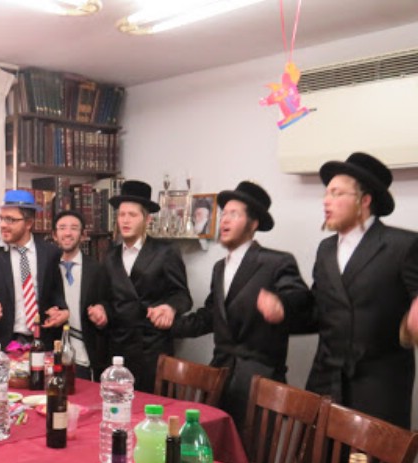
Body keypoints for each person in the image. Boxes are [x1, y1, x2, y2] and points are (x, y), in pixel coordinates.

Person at [169, 181, 311, 430]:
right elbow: (211, 315)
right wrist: (171, 322)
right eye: (224, 213)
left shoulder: (276, 262)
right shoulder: (219, 268)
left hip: (260, 382)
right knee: (214, 446)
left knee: (253, 452)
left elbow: (302, 300)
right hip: (221, 376)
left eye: (234, 214)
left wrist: (282, 306)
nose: (224, 220)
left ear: (253, 224)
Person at [294, 152, 418, 429]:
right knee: (319, 456)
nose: (326, 200)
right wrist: (281, 312)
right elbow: (319, 311)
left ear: (364, 200)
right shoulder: (326, 250)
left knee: (369, 458)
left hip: (378, 389)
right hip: (326, 381)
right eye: (326, 193)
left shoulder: (403, 246)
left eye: (336, 193)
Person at [101, 180, 192, 392]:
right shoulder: (109, 256)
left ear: (147, 219)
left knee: (153, 407)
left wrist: (170, 307)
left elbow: (182, 296)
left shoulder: (165, 252)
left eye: (132, 215)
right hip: (118, 349)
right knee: (118, 405)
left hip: (152, 349)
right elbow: (105, 298)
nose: (125, 220)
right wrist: (101, 308)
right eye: (121, 215)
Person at [0, 189, 68, 350]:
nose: (3, 225)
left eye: (10, 219)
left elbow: (56, 294)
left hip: (42, 344)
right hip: (1, 346)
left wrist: (61, 312)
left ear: (29, 223)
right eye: (1, 218)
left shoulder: (50, 253)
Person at [52, 209, 109, 380]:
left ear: (83, 235)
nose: (68, 233)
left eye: (74, 228)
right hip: (52, 353)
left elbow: (107, 302)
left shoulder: (97, 269)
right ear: (54, 235)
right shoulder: (46, 267)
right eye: (62, 228)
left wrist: (102, 313)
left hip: (83, 355)